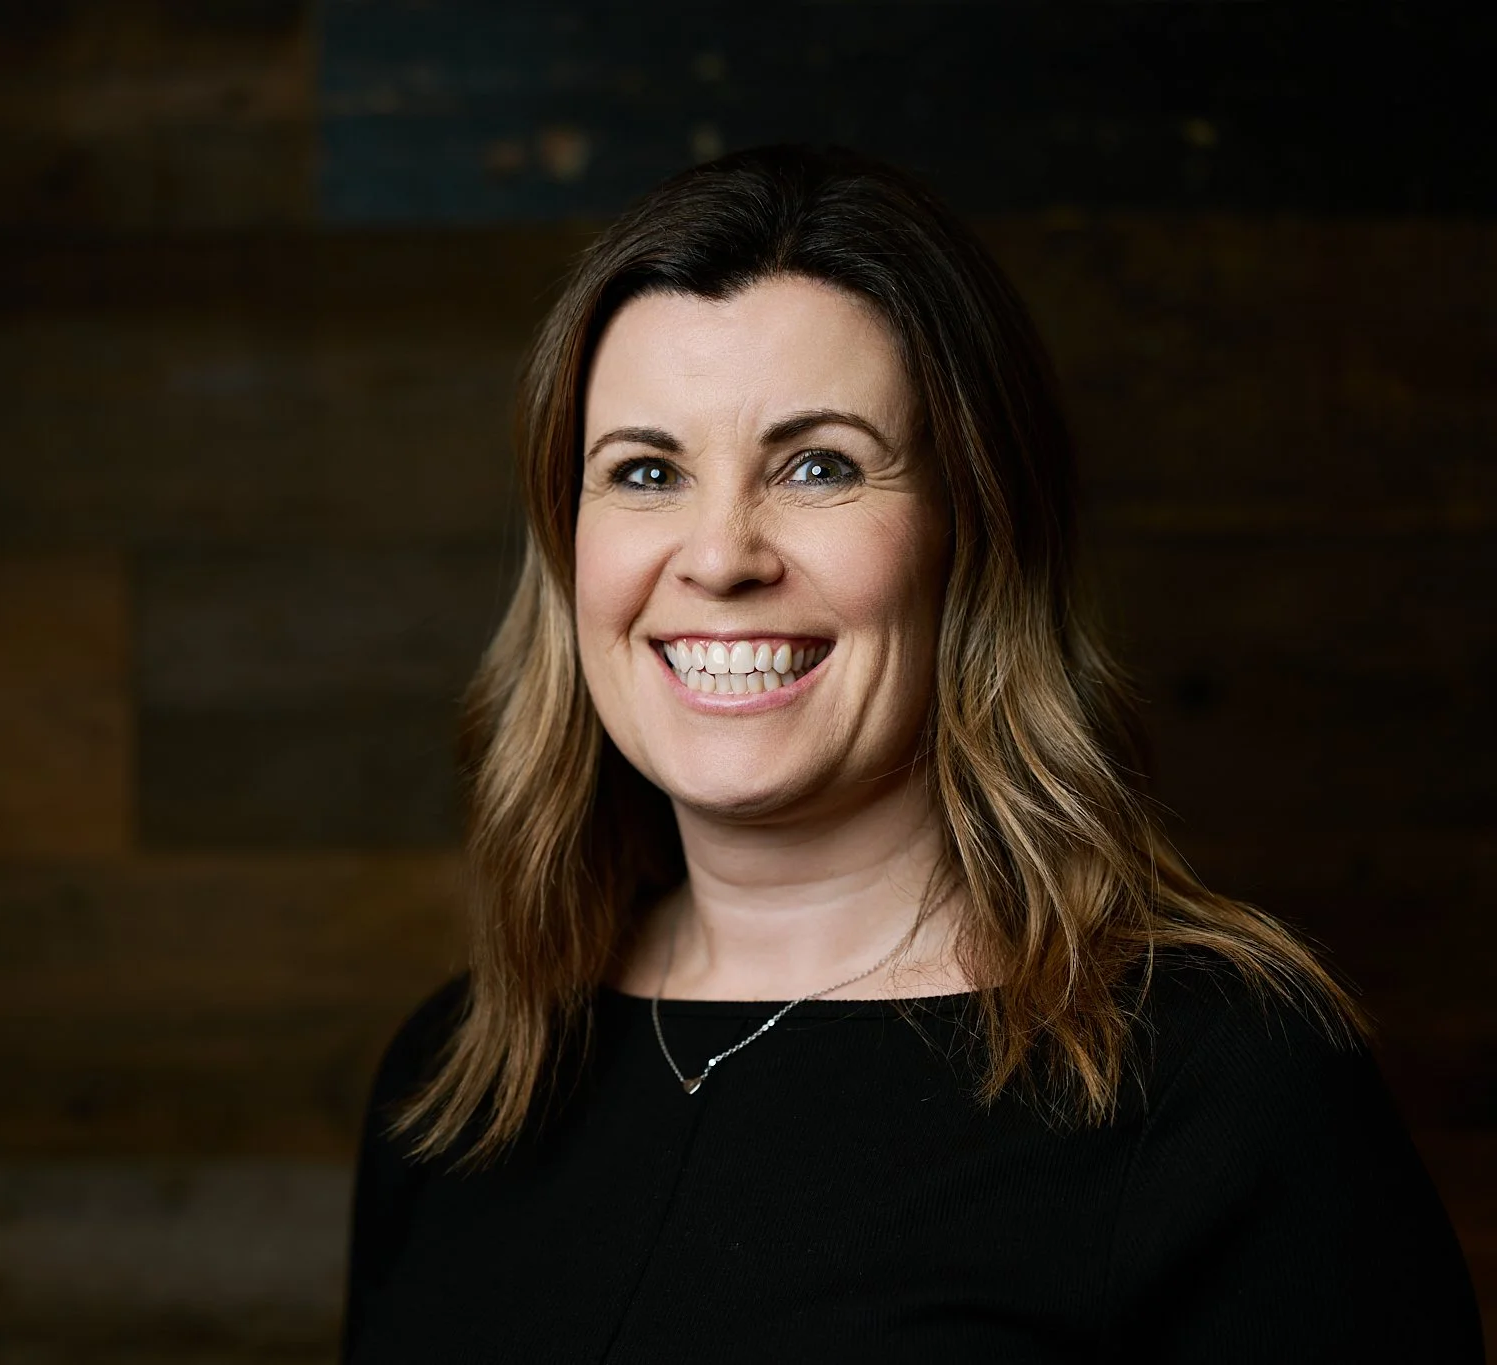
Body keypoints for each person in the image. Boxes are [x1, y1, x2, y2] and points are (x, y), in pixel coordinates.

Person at [339, 145, 1483, 1363]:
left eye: (817, 465)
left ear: (972, 530)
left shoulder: (1218, 1086)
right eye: (646, 472)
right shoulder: (456, 1081)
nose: (719, 557)